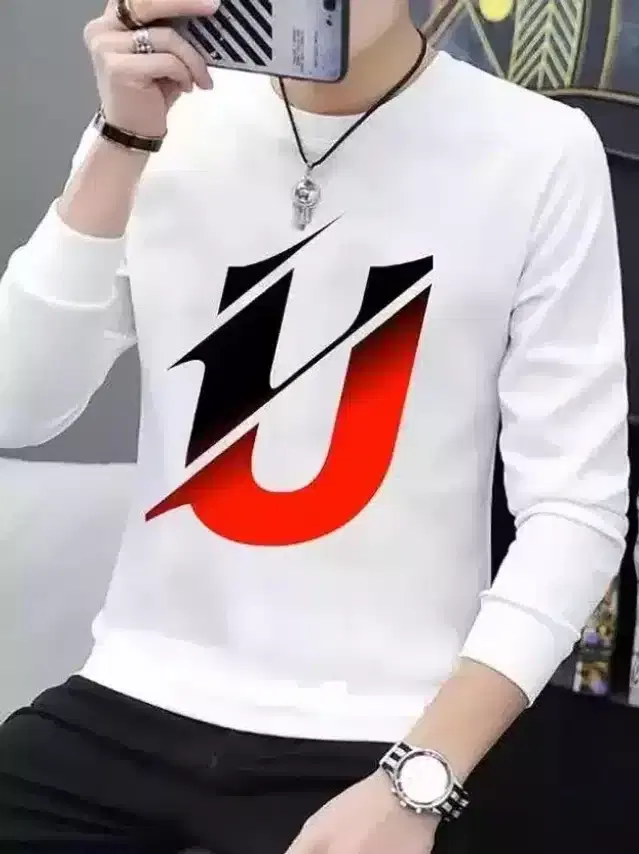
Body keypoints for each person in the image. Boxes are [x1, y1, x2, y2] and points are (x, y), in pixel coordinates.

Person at [0, 0, 629, 851]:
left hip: (386, 732)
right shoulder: (168, 117)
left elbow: (575, 509)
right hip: (126, 701)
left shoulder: (536, 149)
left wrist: (419, 778)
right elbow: (20, 406)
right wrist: (121, 141)